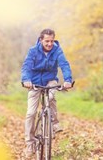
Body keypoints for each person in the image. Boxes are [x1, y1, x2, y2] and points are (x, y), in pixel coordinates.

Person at [21, 28, 73, 157]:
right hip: (34, 82)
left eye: (51, 41)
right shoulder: (33, 51)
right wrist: (26, 80)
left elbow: (64, 65)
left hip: (50, 81)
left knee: (51, 96)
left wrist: (68, 80)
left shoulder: (57, 50)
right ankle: (30, 143)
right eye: (47, 41)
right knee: (31, 113)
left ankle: (54, 123)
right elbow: (26, 66)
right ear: (41, 40)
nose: (49, 44)